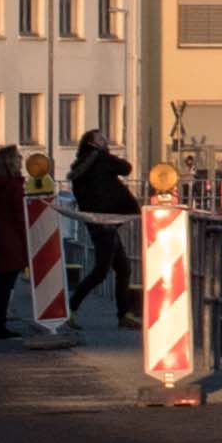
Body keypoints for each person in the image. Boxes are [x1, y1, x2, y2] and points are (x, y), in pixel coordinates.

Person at [63, 129, 140, 325]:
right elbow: (126, 168)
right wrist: (106, 154)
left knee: (123, 267)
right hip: (107, 221)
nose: (106, 141)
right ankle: (71, 307)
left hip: (97, 221)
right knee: (100, 271)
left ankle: (124, 314)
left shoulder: (80, 165)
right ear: (93, 143)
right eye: (101, 138)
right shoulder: (100, 159)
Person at [0, 144, 28, 339]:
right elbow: (20, 217)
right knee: (4, 285)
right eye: (18, 157)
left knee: (1, 283)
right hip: (12, 241)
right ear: (10, 161)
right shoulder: (13, 186)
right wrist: (27, 242)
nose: (21, 160)